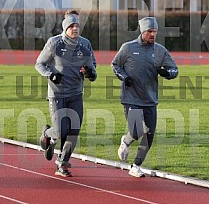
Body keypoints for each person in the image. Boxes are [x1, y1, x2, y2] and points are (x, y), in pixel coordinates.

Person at [112, 17, 178, 177]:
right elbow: (115, 65)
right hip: (131, 98)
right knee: (136, 131)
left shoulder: (160, 50)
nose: (152, 34)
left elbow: (174, 69)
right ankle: (127, 140)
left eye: (155, 31)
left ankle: (136, 166)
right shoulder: (128, 48)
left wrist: (167, 73)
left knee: (149, 134)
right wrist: (124, 77)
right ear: (142, 31)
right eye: (149, 31)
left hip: (150, 99)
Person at [35, 14, 97, 177]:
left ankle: (62, 163)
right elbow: (39, 63)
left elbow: (93, 67)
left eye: (77, 26)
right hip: (57, 94)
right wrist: (50, 74)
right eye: (71, 26)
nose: (75, 28)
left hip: (76, 93)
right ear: (65, 29)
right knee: (61, 130)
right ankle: (47, 134)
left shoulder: (85, 44)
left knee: (74, 130)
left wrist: (90, 72)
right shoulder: (54, 43)